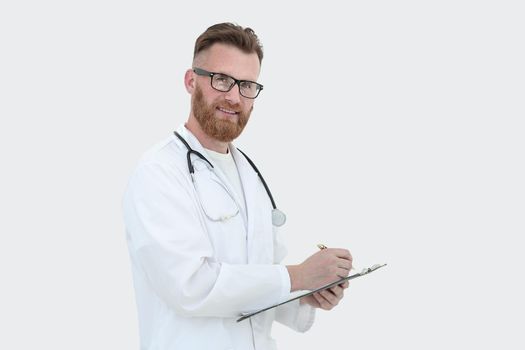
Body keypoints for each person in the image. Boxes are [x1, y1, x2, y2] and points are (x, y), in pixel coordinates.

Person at [122, 22, 353, 350]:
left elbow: (260, 282)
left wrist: (309, 294)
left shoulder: (250, 174)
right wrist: (297, 277)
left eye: (247, 85)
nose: (234, 96)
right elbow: (190, 287)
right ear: (191, 81)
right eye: (222, 80)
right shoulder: (158, 173)